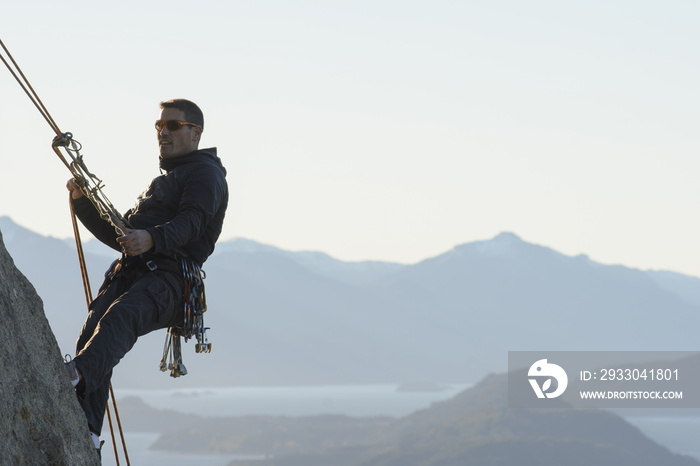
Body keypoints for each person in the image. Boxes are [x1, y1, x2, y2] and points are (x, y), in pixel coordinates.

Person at [64, 99, 228, 453]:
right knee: (94, 329)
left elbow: (192, 221)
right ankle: (88, 428)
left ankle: (75, 376)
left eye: (172, 126)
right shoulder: (163, 181)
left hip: (169, 280)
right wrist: (83, 203)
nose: (163, 133)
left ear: (195, 132)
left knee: (119, 318)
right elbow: (121, 237)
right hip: (134, 272)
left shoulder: (206, 175)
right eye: (159, 126)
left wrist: (153, 238)